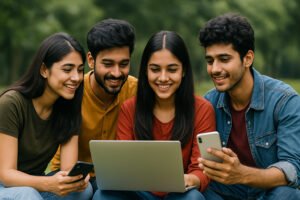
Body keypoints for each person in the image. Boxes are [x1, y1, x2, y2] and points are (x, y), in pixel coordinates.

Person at [93, 30, 216, 200]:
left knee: (193, 198)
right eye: (155, 69)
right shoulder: (129, 108)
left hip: (180, 193)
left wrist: (189, 179)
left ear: (184, 71)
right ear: (145, 71)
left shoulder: (202, 109)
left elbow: (201, 169)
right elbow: (124, 166)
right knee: (103, 196)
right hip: (141, 192)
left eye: (172, 69)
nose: (163, 78)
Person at [197, 13, 300, 200]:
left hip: (266, 193)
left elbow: (292, 169)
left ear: (248, 59)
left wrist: (242, 174)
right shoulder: (207, 103)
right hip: (223, 193)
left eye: (224, 59)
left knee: (288, 194)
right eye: (210, 61)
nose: (215, 69)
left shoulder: (284, 101)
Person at [0, 33, 93, 199]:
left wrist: (75, 180)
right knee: (27, 194)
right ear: (44, 70)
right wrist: (47, 183)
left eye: (80, 70)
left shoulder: (69, 107)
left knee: (82, 191)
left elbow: (67, 169)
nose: (76, 78)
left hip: (35, 185)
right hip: (5, 186)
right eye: (67, 69)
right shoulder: (12, 103)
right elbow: (6, 175)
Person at [50, 18, 137, 192]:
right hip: (71, 178)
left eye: (124, 64)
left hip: (118, 180)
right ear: (91, 60)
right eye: (108, 64)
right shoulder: (72, 92)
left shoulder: (137, 91)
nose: (117, 73)